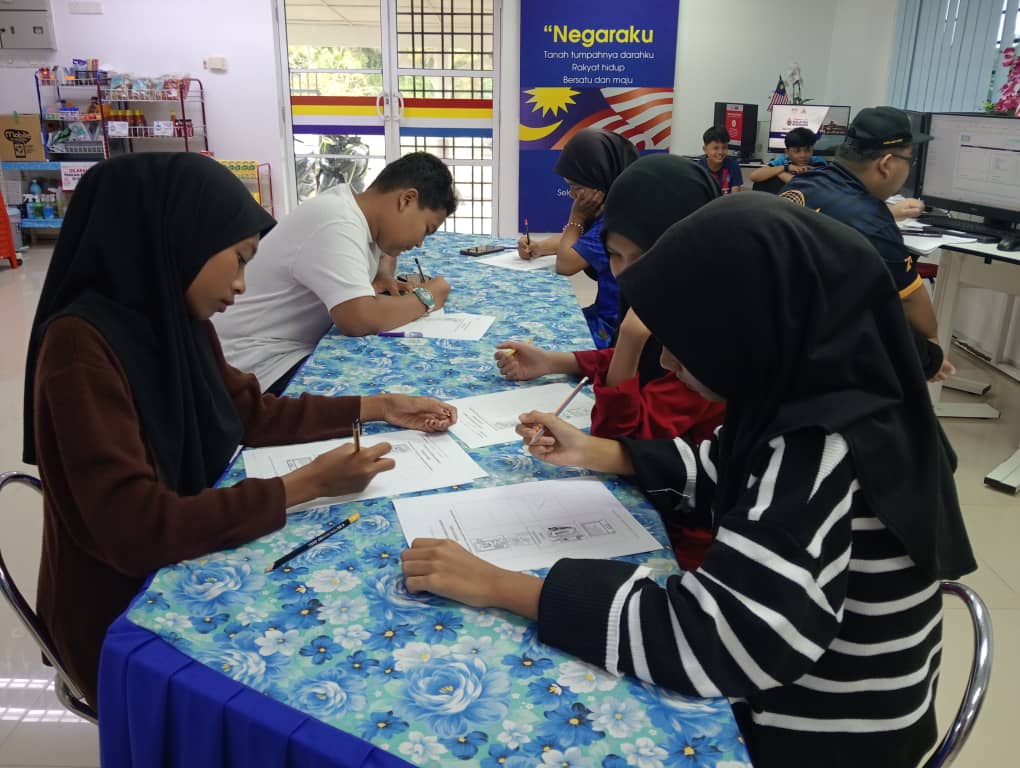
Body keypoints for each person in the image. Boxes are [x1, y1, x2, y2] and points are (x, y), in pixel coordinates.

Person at [401, 194, 976, 768]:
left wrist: (500, 586)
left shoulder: (820, 448)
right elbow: (723, 471)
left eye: (688, 340)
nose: (669, 361)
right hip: (803, 685)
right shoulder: (820, 394)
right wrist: (592, 451)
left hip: (813, 738)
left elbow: (714, 639)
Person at [22, 153, 458, 707]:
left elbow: (250, 414)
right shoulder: (80, 352)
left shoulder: (176, 317)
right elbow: (136, 528)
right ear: (178, 238)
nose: (241, 285)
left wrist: (378, 406)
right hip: (122, 616)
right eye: (237, 260)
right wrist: (307, 484)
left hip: (183, 547)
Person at [497, 156, 726, 568]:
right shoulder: (671, 294)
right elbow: (640, 369)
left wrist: (631, 340)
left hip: (688, 538)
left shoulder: (707, 345)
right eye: (615, 256)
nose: (626, 276)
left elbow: (623, 437)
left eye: (644, 256)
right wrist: (552, 361)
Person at [212, 152, 458, 394]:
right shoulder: (337, 222)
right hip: (253, 365)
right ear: (407, 199)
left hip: (281, 349)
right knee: (391, 388)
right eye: (426, 229)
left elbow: (385, 254)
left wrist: (382, 275)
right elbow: (359, 319)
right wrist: (426, 298)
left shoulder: (357, 212)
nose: (420, 243)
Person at [781, 106, 954, 381]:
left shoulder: (804, 183)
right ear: (886, 164)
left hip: (778, 333)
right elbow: (910, 299)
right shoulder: (874, 225)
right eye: (910, 160)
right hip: (819, 360)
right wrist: (932, 351)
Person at [516, 128, 638, 348]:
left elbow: (566, 264)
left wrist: (577, 216)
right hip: (605, 314)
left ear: (600, 180)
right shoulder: (614, 207)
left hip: (612, 329)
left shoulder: (616, 220)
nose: (572, 194)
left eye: (576, 187)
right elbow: (579, 242)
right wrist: (539, 247)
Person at [748, 126, 826, 186]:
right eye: (797, 151)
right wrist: (786, 167)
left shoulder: (818, 162)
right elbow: (754, 176)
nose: (803, 155)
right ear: (787, 152)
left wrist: (779, 173)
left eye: (808, 150)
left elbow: (802, 185)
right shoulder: (783, 160)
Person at [695, 125, 743, 193]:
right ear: (705, 149)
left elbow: (735, 196)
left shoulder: (734, 166)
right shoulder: (699, 168)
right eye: (716, 148)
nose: (720, 152)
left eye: (724, 147)